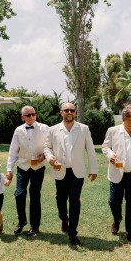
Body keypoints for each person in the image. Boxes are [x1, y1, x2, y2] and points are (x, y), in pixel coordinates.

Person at [46, 99, 97, 248]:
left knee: (75, 201)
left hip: (77, 172)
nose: (69, 113)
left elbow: (91, 149)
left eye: (72, 110)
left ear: (75, 113)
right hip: (59, 170)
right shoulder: (53, 129)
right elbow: (47, 147)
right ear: (61, 112)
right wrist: (50, 158)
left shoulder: (83, 129)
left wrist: (93, 169)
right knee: (60, 199)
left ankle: (73, 233)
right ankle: (64, 219)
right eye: (66, 110)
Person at [102, 103, 131, 242]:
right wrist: (110, 155)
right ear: (125, 117)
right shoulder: (113, 131)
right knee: (113, 201)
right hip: (117, 172)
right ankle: (117, 220)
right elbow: (105, 146)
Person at [5, 106, 50, 237]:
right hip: (22, 167)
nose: (31, 117)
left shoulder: (44, 128)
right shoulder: (18, 130)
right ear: (23, 117)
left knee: (35, 195)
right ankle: (21, 221)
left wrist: (44, 156)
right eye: (28, 115)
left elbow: (49, 145)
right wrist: (9, 168)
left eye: (33, 114)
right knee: (19, 194)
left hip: (38, 167)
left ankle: (34, 226)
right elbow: (13, 150)